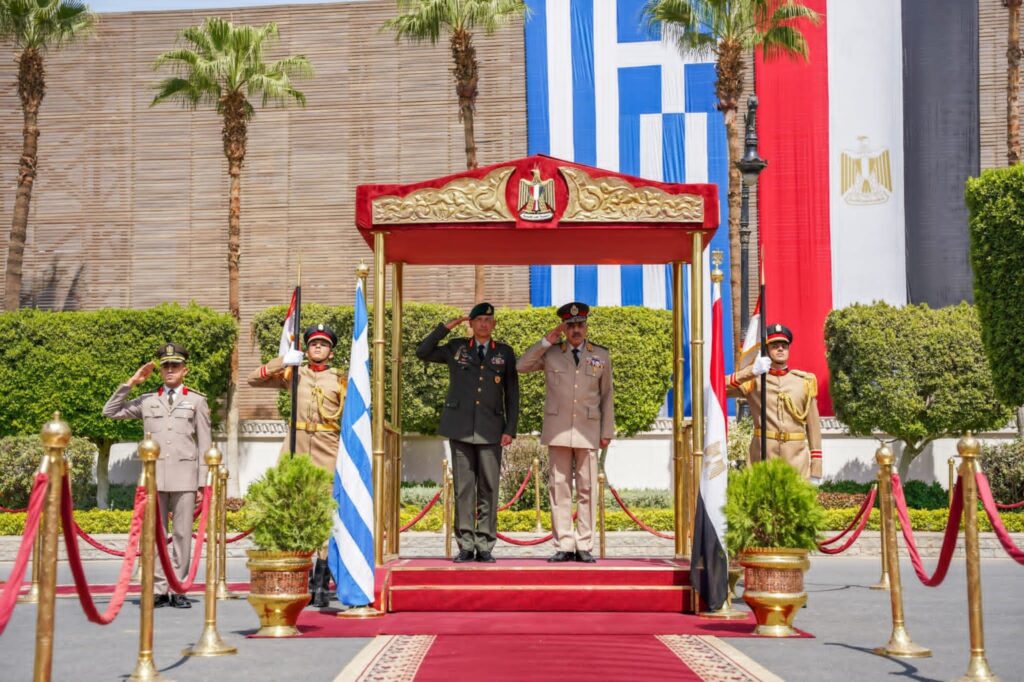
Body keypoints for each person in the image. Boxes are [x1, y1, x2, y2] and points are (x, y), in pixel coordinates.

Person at [103, 343, 211, 609]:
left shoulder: (197, 401)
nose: (170, 370)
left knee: (183, 534)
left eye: (175, 365)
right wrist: (132, 382)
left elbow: (205, 445)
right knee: (155, 536)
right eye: (166, 366)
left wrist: (202, 483)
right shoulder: (148, 400)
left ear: (184, 370)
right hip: (154, 478)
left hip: (185, 477)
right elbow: (110, 411)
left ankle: (179, 587)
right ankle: (159, 589)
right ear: (160, 371)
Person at [248, 322, 346, 608]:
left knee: (324, 512)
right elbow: (254, 380)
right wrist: (284, 360)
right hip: (296, 446)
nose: (318, 347)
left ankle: (322, 577)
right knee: (296, 512)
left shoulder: (340, 379)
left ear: (330, 351)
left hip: (327, 446)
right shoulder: (294, 373)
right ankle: (300, 572)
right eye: (314, 343)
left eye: (323, 344)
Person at [416, 302, 519, 563]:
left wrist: (510, 429)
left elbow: (512, 393)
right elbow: (423, 352)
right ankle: (465, 544)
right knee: (464, 489)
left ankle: (484, 544)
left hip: (491, 429)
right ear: (470, 324)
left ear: (494, 324)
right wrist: (445, 328)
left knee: (489, 488)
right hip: (460, 428)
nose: (484, 324)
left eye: (488, 319)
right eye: (479, 320)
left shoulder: (504, 352)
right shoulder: (456, 347)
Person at [517, 302, 614, 564]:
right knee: (558, 488)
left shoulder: (601, 355)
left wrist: (606, 430)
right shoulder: (551, 353)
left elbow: (607, 396)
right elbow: (522, 365)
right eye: (570, 326)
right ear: (564, 328)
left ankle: (584, 544)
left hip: (588, 430)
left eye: (580, 325)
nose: (576, 330)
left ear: (586, 326)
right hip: (558, 429)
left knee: (587, 488)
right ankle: (563, 544)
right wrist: (546, 341)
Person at [727, 323, 823, 480]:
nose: (780, 349)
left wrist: (816, 468)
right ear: (766, 350)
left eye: (784, 346)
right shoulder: (754, 381)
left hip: (796, 460)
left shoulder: (804, 382)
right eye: (774, 346)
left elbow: (813, 427)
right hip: (763, 456)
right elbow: (719, 388)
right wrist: (749, 372)